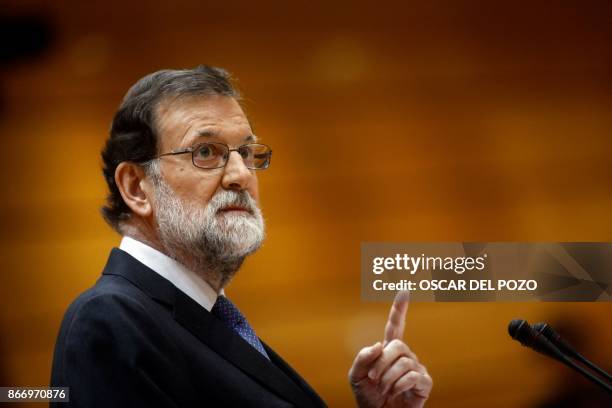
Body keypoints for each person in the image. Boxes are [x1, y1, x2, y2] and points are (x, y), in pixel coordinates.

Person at [50, 66, 432, 407]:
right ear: (136, 187)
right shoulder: (110, 321)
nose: (241, 174)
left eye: (246, 152)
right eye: (206, 151)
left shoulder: (207, 313)